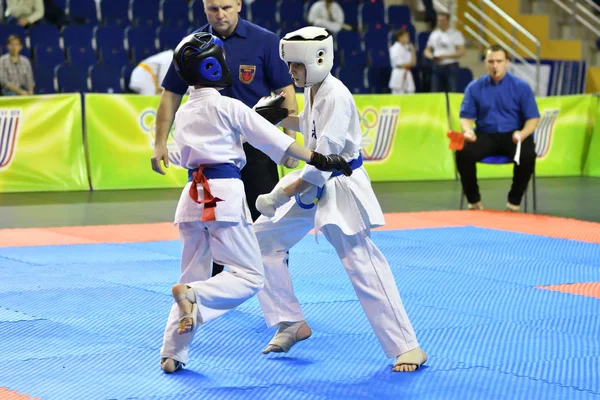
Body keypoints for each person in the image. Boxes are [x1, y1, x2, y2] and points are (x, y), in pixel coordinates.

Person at [159, 32, 351, 374]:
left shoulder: (186, 112)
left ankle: (172, 354)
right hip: (223, 198)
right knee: (249, 276)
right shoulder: (228, 106)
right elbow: (274, 139)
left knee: (192, 275)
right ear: (213, 67)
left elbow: (239, 127)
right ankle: (196, 301)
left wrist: (259, 114)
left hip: (190, 201)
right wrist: (318, 158)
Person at [252, 26, 427, 373]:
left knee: (361, 262)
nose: (291, 73)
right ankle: (290, 321)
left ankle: (408, 347)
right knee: (260, 241)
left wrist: (278, 193)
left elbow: (322, 163)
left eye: (296, 67)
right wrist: (279, 117)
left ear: (318, 59)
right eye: (290, 66)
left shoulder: (336, 94)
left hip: (340, 184)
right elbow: (313, 128)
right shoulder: (316, 90)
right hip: (315, 183)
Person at [151, 0, 298, 277]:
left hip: (256, 149)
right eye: (213, 9)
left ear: (239, 5)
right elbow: (171, 95)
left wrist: (289, 140)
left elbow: (285, 91)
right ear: (204, 8)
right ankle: (210, 292)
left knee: (266, 221)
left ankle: (278, 291)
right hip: (214, 152)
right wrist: (159, 143)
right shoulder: (192, 45)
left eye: (227, 7)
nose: (220, 14)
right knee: (209, 224)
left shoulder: (265, 41)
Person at [457, 44, 540, 211]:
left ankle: (514, 203)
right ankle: (474, 202)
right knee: (463, 151)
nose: (495, 65)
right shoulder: (474, 87)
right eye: (491, 61)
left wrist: (522, 134)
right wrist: (468, 131)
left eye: (499, 61)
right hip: (485, 135)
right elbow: (466, 117)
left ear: (507, 62)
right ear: (485, 63)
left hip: (513, 136)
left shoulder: (521, 87)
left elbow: (533, 118)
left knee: (528, 153)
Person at [423, 12, 465, 93]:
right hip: (437, 66)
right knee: (435, 92)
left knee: (452, 91)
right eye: (438, 20)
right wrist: (431, 56)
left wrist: (446, 56)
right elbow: (427, 50)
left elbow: (461, 51)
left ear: (447, 21)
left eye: (442, 20)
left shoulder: (455, 34)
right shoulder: (434, 34)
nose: (439, 22)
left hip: (450, 66)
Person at [388, 28, 416, 95]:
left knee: (410, 94)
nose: (408, 38)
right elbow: (400, 64)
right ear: (400, 37)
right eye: (406, 36)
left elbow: (413, 63)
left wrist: (413, 50)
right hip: (398, 73)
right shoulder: (395, 48)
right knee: (398, 97)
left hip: (407, 73)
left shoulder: (407, 48)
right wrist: (409, 64)